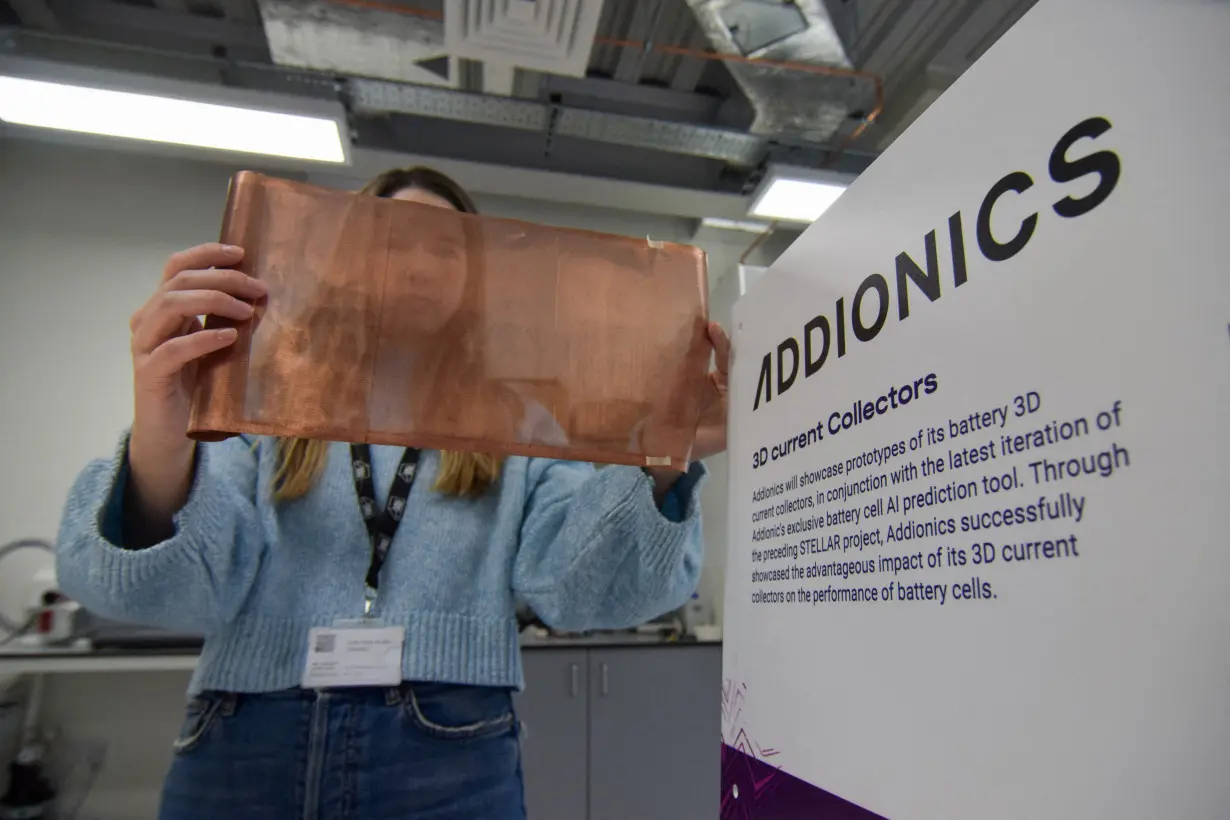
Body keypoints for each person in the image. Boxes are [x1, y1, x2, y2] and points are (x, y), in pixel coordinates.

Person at [55, 167, 730, 820]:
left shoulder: (520, 425)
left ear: (476, 279)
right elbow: (157, 591)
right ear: (348, 261)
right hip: (243, 739)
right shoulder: (259, 398)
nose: (418, 265)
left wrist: (665, 460)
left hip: (447, 746)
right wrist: (161, 433)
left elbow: (584, 592)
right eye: (391, 240)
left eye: (446, 249)